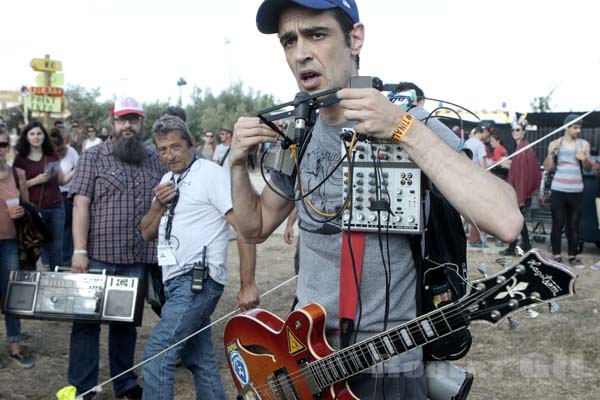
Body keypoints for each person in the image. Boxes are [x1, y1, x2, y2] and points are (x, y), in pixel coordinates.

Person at [229, 1, 522, 398]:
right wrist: (235, 165)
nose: (300, 53)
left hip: (387, 368)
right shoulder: (299, 132)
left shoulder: (409, 122)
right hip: (305, 362)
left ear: (355, 37)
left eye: (317, 34)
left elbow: (506, 220)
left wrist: (403, 130)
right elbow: (255, 227)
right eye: (289, 41)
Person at [140, 115, 259, 400]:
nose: (169, 155)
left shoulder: (211, 173)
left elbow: (244, 229)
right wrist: (157, 206)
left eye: (175, 146)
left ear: (192, 143)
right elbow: (146, 232)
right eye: (162, 149)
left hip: (198, 279)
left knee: (158, 353)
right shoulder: (166, 179)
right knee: (200, 359)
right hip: (174, 281)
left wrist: (248, 284)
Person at [68, 97, 165, 400]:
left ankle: (124, 384)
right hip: (97, 256)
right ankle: (83, 388)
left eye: (133, 120)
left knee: (125, 325)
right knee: (86, 325)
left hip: (137, 258)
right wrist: (79, 251)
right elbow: (80, 205)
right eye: (122, 120)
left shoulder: (153, 158)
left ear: (141, 123)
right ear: (112, 123)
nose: (127, 125)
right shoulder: (93, 157)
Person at [13, 121, 75, 269]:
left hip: (56, 207)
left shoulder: (51, 155)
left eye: (39, 133)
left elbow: (61, 180)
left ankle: (56, 278)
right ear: (26, 137)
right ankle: (37, 279)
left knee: (56, 247)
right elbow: (14, 187)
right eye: (32, 134)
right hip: (34, 210)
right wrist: (35, 181)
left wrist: (76, 170)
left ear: (44, 136)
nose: (36, 137)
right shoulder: (20, 159)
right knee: (35, 247)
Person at [0, 127, 34, 369]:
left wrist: (22, 211)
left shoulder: (17, 173)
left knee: (10, 293)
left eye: (2, 144)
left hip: (10, 242)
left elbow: (27, 207)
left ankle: (14, 344)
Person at [543, 113, 593, 267]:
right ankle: (556, 255)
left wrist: (584, 159)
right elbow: (547, 168)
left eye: (579, 128)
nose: (578, 131)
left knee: (574, 225)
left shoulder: (583, 144)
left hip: (576, 189)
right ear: (567, 127)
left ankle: (572, 256)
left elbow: (588, 168)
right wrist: (551, 153)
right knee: (557, 224)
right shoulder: (555, 143)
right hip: (558, 189)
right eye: (575, 127)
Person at [499, 121, 540, 256]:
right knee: (519, 220)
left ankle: (514, 247)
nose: (514, 132)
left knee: (516, 219)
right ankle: (525, 245)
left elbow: (523, 176)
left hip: (520, 192)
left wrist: (520, 197)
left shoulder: (523, 150)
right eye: (513, 130)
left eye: (517, 130)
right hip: (519, 191)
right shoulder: (521, 148)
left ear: (523, 131)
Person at [49, 129, 79, 264]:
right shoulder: (48, 156)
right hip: (53, 194)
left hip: (68, 193)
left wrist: (74, 171)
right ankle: (52, 260)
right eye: (58, 151)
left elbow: (78, 168)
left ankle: (67, 258)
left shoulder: (71, 152)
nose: (60, 153)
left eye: (62, 150)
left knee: (67, 228)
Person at [463, 127, 490, 248]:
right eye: (485, 133)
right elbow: (483, 165)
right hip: (476, 181)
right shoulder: (480, 145)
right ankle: (475, 240)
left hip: (464, 180)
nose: (486, 135)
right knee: (477, 211)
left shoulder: (466, 143)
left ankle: (468, 238)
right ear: (480, 133)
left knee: (464, 211)